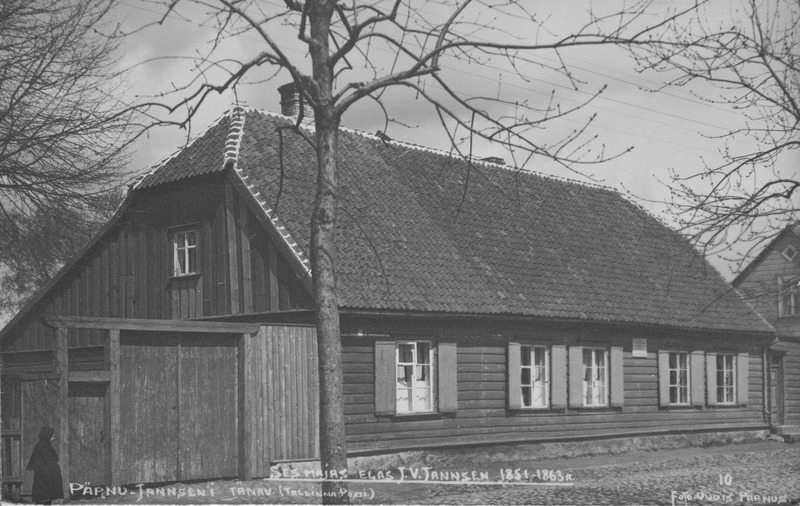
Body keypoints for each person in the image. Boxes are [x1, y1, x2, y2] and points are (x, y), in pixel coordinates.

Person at [25, 426, 63, 505]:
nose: (53, 437)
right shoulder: (43, 446)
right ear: (47, 435)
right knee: (44, 499)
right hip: (45, 480)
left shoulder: (43, 445)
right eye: (52, 435)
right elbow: (43, 463)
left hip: (45, 479)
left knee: (45, 499)